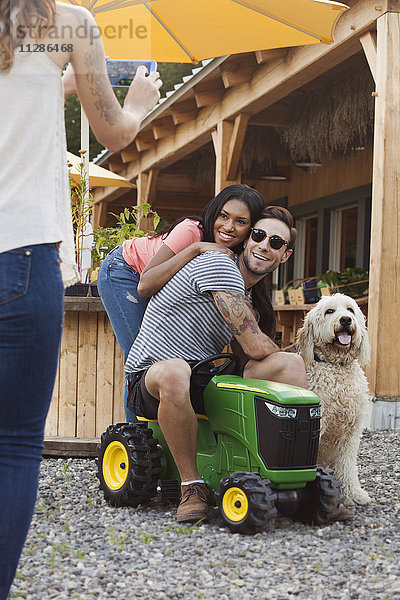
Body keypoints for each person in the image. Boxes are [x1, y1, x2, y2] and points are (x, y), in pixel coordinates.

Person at [0, 1, 161, 597]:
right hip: (20, 256)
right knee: (13, 445)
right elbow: (116, 133)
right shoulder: (65, 23)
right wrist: (140, 101)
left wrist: (53, 86)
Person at [125, 206, 308, 522]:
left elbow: (252, 356)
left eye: (275, 242)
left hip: (200, 377)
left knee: (290, 365)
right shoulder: (219, 264)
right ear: (247, 239)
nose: (264, 245)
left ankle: (295, 475)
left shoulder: (248, 298)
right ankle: (191, 486)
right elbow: (254, 344)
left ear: (285, 255)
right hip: (150, 376)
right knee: (175, 370)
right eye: (258, 235)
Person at [97, 184, 265, 421]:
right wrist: (195, 249)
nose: (228, 227)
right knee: (142, 361)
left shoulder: (237, 254)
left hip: (158, 287)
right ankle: (137, 440)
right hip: (126, 273)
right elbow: (145, 285)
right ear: (214, 212)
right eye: (223, 216)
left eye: (240, 221)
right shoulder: (192, 231)